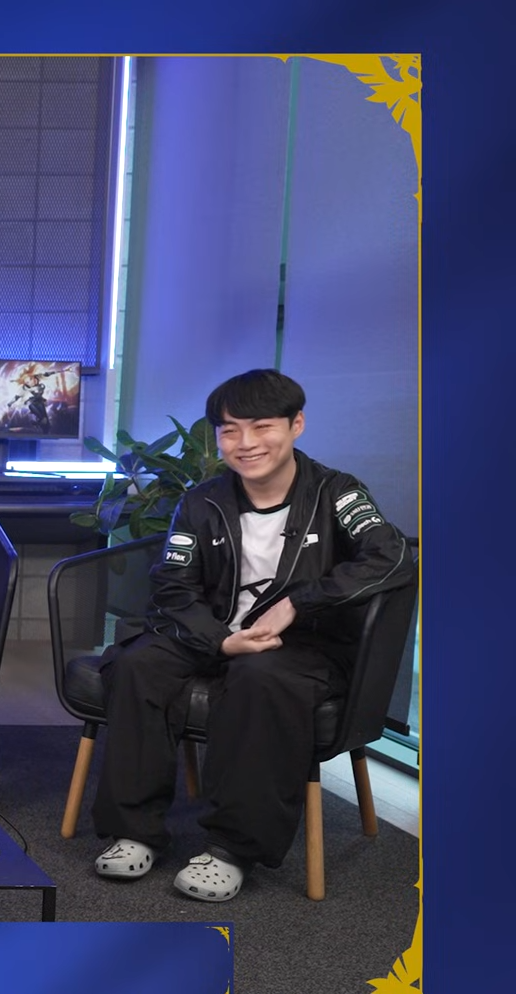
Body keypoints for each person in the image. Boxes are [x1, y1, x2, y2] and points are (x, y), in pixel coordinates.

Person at [90, 369, 413, 902]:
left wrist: (297, 603)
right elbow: (173, 586)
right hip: (211, 633)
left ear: (296, 425)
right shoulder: (202, 501)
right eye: (230, 430)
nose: (246, 443)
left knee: (259, 677)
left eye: (262, 427)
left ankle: (231, 849)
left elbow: (392, 555)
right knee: (136, 665)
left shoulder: (336, 492)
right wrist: (218, 640)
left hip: (300, 646)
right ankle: (134, 831)